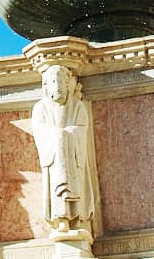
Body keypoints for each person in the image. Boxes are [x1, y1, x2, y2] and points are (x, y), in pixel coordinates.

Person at [31, 65, 96, 232]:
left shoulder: (77, 106)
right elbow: (39, 130)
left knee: (77, 181)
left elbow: (83, 127)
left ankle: (79, 218)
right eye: (53, 81)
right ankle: (61, 219)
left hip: (74, 157)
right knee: (57, 185)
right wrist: (58, 137)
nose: (58, 85)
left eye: (61, 80)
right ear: (46, 86)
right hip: (55, 158)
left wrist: (67, 136)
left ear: (68, 84)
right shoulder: (40, 107)